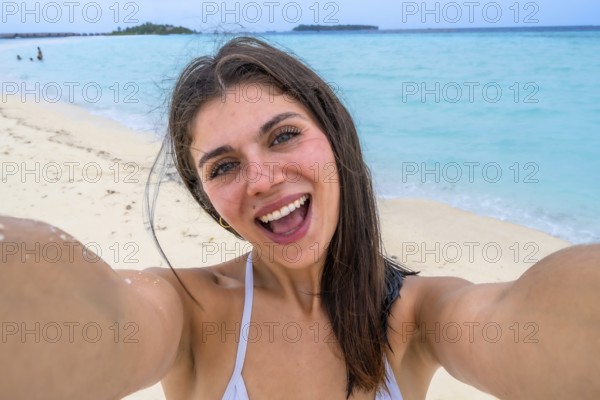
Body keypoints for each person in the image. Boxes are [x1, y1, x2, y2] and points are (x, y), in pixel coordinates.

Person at [1, 37, 599, 400]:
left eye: (283, 136)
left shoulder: (418, 314)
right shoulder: (186, 310)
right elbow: (88, 317)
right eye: (224, 166)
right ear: (208, 196)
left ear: (335, 137)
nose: (262, 181)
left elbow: (527, 327)